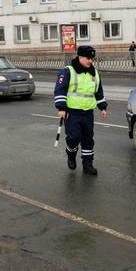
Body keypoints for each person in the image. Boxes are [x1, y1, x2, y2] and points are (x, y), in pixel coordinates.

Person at [54, 45, 108, 175]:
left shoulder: (94, 73)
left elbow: (98, 92)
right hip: (72, 113)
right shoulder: (68, 71)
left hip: (88, 113)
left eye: (92, 59)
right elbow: (60, 90)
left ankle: (87, 165)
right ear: (80, 57)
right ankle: (71, 154)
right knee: (73, 138)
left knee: (88, 139)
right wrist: (61, 108)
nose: (91, 61)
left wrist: (102, 107)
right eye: (88, 58)